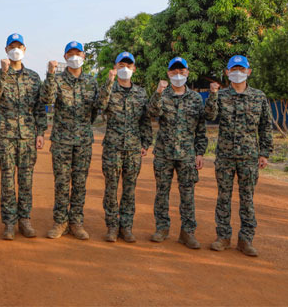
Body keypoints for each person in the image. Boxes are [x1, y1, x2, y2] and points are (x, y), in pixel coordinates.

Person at [205, 55, 273, 257]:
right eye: (233, 69)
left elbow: (265, 126)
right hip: (225, 156)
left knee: (247, 200)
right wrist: (213, 95)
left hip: (249, 157)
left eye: (241, 69)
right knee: (223, 198)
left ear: (248, 72)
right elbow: (209, 116)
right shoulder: (221, 95)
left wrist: (265, 153)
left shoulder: (259, 97)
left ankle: (246, 240)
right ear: (227, 72)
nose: (237, 72)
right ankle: (223, 237)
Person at [0, 33, 47, 240]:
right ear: (6, 50)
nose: (15, 49)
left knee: (26, 179)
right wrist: (4, 73)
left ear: (24, 49)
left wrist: (40, 132)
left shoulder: (33, 77)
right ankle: (9, 223)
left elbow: (40, 108)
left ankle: (25, 220)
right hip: (5, 135)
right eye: (12, 46)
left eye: (19, 46)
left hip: (28, 136)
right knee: (7, 180)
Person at [41, 41, 99, 240]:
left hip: (83, 141)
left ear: (84, 56)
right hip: (62, 141)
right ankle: (60, 222)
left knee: (80, 183)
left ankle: (76, 222)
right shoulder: (57, 80)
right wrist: (50, 73)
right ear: (65, 57)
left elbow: (95, 110)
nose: (75, 56)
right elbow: (47, 98)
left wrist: (83, 127)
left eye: (78, 53)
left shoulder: (91, 82)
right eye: (70, 53)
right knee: (62, 183)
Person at [148, 57, 207, 249]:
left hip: (187, 155)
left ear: (188, 73)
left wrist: (200, 153)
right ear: (168, 73)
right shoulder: (162, 96)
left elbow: (201, 128)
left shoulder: (196, 99)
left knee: (188, 195)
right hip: (164, 153)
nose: (178, 74)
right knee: (162, 193)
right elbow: (151, 111)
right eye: (174, 71)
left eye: (181, 71)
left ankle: (187, 232)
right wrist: (158, 91)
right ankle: (162, 228)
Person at [99, 51, 152, 243]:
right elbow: (100, 106)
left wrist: (145, 143)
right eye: (121, 65)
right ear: (115, 67)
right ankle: (112, 226)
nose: (125, 69)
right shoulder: (109, 89)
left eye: (129, 66)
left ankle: (127, 227)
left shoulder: (141, 93)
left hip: (133, 148)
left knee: (129, 189)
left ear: (134, 68)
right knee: (111, 189)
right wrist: (109, 82)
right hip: (113, 147)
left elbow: (145, 120)